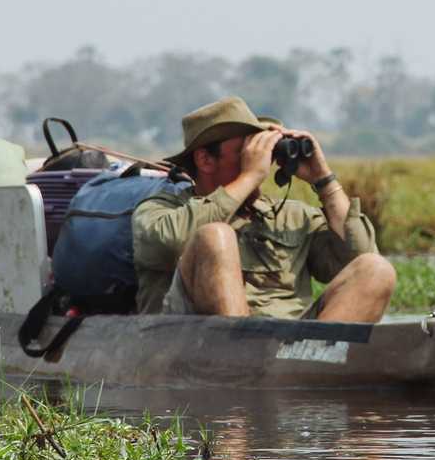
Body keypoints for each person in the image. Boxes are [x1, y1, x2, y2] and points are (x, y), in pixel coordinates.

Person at [132, 96, 396, 321]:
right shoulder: (160, 210)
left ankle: (312, 361)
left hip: (288, 345)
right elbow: (170, 242)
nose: (261, 159)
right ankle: (246, 352)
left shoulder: (293, 216)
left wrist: (324, 180)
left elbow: (358, 257)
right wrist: (249, 177)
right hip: (195, 338)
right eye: (245, 150)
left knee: (376, 269)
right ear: (205, 159)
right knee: (215, 236)